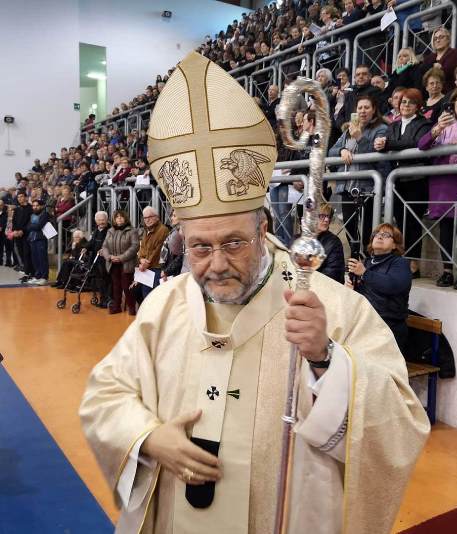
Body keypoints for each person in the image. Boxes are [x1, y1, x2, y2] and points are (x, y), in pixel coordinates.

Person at [80, 51, 429, 534]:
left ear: (262, 229)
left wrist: (327, 358)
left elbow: (402, 424)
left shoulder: (333, 308)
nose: (216, 264)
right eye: (200, 248)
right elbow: (105, 394)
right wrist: (148, 439)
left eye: (233, 243)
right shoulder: (164, 305)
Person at [418, 86, 457, 290]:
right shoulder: (443, 122)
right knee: (445, 228)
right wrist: (437, 128)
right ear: (453, 103)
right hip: (443, 182)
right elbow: (422, 145)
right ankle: (447, 271)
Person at [374, 88, 431, 277]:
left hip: (416, 180)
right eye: (403, 102)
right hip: (397, 180)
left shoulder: (424, 123)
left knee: (413, 223)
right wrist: (380, 145)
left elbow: (417, 143)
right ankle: (400, 261)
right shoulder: (394, 125)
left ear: (418, 106)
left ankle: (413, 264)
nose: (406, 105)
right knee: (399, 222)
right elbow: (389, 144)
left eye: (411, 102)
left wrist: (388, 144)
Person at [329, 95, 389, 250]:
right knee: (350, 228)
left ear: (374, 110)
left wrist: (360, 137)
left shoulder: (381, 129)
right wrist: (342, 150)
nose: (363, 111)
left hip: (368, 187)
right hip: (347, 187)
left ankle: (369, 258)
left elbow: (376, 155)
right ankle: (355, 257)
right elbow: (331, 151)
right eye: (360, 108)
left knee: (369, 229)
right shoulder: (348, 130)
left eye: (367, 107)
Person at [347, 223, 412, 355]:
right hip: (364, 324)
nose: (380, 236)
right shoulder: (366, 262)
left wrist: (365, 273)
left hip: (387, 327)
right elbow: (363, 296)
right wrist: (351, 289)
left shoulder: (400, 263)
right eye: (377, 234)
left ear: (394, 245)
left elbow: (393, 285)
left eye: (386, 235)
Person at [102, 210, 139, 314]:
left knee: (127, 287)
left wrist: (121, 258)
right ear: (114, 219)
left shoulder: (132, 231)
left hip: (127, 263)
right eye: (116, 217)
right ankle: (117, 306)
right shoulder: (110, 231)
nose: (119, 218)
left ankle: (132, 307)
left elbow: (135, 247)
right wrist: (109, 257)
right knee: (116, 287)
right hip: (113, 263)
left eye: (121, 216)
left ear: (125, 218)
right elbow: (104, 246)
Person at [335, 64, 383, 129]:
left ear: (370, 76)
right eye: (358, 74)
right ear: (354, 78)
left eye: (364, 74)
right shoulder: (350, 92)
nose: (361, 76)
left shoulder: (376, 91)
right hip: (348, 130)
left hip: (368, 129)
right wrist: (343, 125)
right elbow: (341, 113)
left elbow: (378, 113)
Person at [137, 206, 170, 298]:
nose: (147, 220)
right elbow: (142, 248)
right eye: (145, 218)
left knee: (155, 297)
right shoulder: (146, 230)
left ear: (157, 217)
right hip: (146, 269)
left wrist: (146, 263)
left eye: (150, 217)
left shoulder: (163, 230)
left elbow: (158, 250)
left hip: (157, 268)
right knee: (146, 296)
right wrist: (140, 259)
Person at [83, 211, 111, 307]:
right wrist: (86, 248)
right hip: (95, 259)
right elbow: (92, 242)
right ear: (96, 221)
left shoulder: (110, 230)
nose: (101, 222)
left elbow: (111, 244)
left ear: (107, 220)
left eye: (103, 220)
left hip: (105, 260)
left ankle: (107, 300)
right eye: (99, 220)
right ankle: (102, 299)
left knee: (106, 280)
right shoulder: (96, 230)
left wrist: (105, 250)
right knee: (99, 280)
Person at [422, 28, 457, 93]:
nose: (438, 40)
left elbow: (447, 71)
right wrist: (438, 68)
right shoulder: (429, 57)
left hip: (448, 91)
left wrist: (432, 70)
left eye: (441, 37)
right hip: (430, 93)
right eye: (435, 39)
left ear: (448, 39)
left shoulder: (454, 53)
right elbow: (424, 75)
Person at [316, 203, 345, 284]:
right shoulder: (298, 239)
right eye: (322, 216)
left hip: (324, 287)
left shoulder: (334, 242)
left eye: (328, 217)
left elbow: (333, 274)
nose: (326, 220)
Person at [26, 199, 50, 285]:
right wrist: (34, 226)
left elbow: (39, 226)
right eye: (33, 206)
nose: (35, 207)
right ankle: (37, 276)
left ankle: (44, 277)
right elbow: (27, 227)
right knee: (35, 259)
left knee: (42, 258)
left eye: (37, 205)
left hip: (41, 239)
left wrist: (32, 226)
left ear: (41, 206)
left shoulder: (45, 214)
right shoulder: (32, 215)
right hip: (32, 239)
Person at [12, 191, 33, 280]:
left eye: (21, 196)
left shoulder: (30, 208)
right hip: (18, 235)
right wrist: (15, 231)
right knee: (21, 253)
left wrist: (22, 230)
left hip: (26, 235)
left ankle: (30, 273)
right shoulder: (17, 209)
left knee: (27, 254)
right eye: (18, 197)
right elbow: (14, 221)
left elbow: (29, 222)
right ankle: (26, 271)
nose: (19, 198)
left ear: (25, 197)